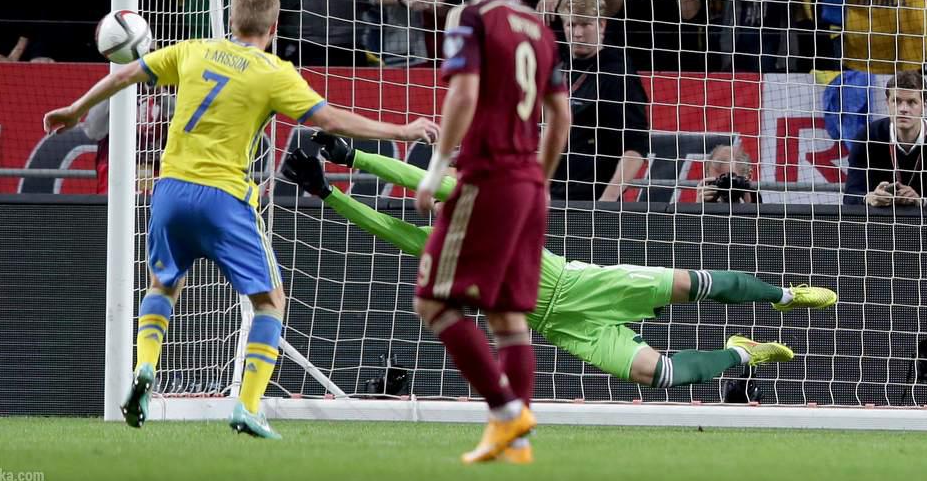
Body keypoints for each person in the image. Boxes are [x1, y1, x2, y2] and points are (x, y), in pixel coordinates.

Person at [41, 0, 440, 440]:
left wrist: (75, 109)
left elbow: (125, 75)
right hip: (224, 198)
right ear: (274, 27)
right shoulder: (274, 73)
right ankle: (248, 407)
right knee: (270, 302)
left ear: (231, 21)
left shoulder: (193, 50)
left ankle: (145, 366)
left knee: (163, 284)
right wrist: (402, 131)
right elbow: (330, 120)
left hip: (169, 191)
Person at [281, 135, 837, 441]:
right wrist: (329, 195)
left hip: (585, 286)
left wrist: (353, 157)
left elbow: (416, 179)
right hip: (560, 326)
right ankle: (742, 353)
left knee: (698, 285)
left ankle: (785, 296)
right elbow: (387, 226)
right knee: (661, 375)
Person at [407, 0, 570, 464]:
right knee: (506, 314)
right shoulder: (541, 28)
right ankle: (515, 444)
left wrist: (435, 169)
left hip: (489, 176)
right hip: (528, 181)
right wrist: (540, 179)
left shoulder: (471, 17)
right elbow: (561, 117)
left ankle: (506, 410)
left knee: (432, 300)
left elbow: (463, 94)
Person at [553, 0, 650, 203]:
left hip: (592, 198)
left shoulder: (617, 73)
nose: (577, 33)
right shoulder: (558, 66)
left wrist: (607, 202)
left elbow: (636, 146)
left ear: (602, 25)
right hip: (550, 196)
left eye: (585, 25)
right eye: (571, 25)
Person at [844, 70, 927, 207]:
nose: (903, 109)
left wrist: (922, 201)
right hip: (881, 217)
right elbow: (850, 195)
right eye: (896, 101)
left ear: (924, 105)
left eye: (911, 102)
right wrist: (869, 198)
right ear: (887, 103)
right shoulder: (868, 136)